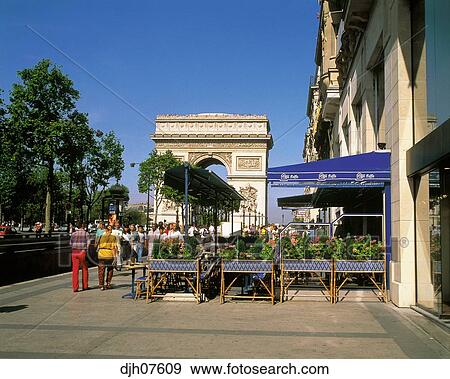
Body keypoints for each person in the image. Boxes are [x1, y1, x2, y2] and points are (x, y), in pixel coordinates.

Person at [69, 222, 90, 293]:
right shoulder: (86, 233)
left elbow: (70, 243)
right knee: (84, 269)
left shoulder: (73, 234)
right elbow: (88, 243)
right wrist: (85, 249)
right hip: (82, 252)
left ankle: (75, 287)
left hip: (74, 252)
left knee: (75, 270)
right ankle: (85, 286)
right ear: (83, 226)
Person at [97, 224, 118, 290]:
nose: (111, 231)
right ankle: (108, 283)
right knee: (110, 269)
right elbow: (114, 248)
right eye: (110, 230)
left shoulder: (101, 236)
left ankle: (101, 285)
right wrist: (115, 257)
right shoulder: (113, 237)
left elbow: (97, 244)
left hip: (101, 254)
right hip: (109, 254)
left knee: (101, 270)